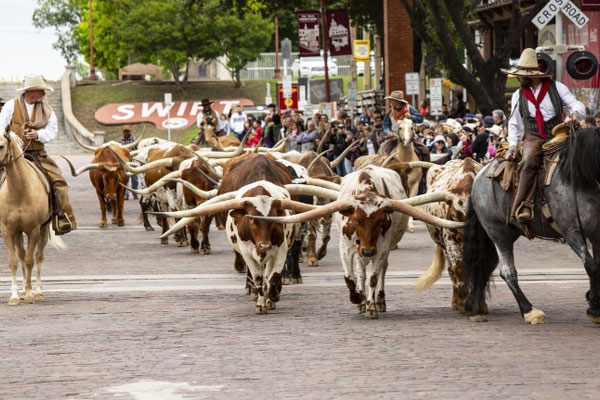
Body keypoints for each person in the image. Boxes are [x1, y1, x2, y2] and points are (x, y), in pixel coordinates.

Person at [503, 48, 585, 223]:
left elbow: (575, 104)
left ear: (532, 75)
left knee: (585, 155)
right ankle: (524, 204)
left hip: (560, 134)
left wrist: (575, 115)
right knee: (527, 162)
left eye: (521, 75)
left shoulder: (557, 87)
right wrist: (512, 144)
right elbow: (514, 122)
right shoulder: (518, 95)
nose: (518, 78)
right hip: (533, 137)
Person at [0, 75, 76, 234]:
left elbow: (53, 131)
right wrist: (13, 138)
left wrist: (38, 135)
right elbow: (1, 127)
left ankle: (61, 217)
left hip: (38, 153)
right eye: (40, 90)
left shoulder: (47, 109)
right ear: (30, 92)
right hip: (11, 155)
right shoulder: (10, 106)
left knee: (58, 182)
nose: (43, 93)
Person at [119, 126, 139, 200]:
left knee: (135, 179)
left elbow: (138, 149)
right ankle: (126, 195)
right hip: (124, 162)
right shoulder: (120, 141)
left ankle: (135, 193)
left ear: (130, 132)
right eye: (125, 131)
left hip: (133, 161)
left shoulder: (134, 140)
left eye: (127, 131)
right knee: (125, 178)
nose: (126, 133)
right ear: (123, 132)